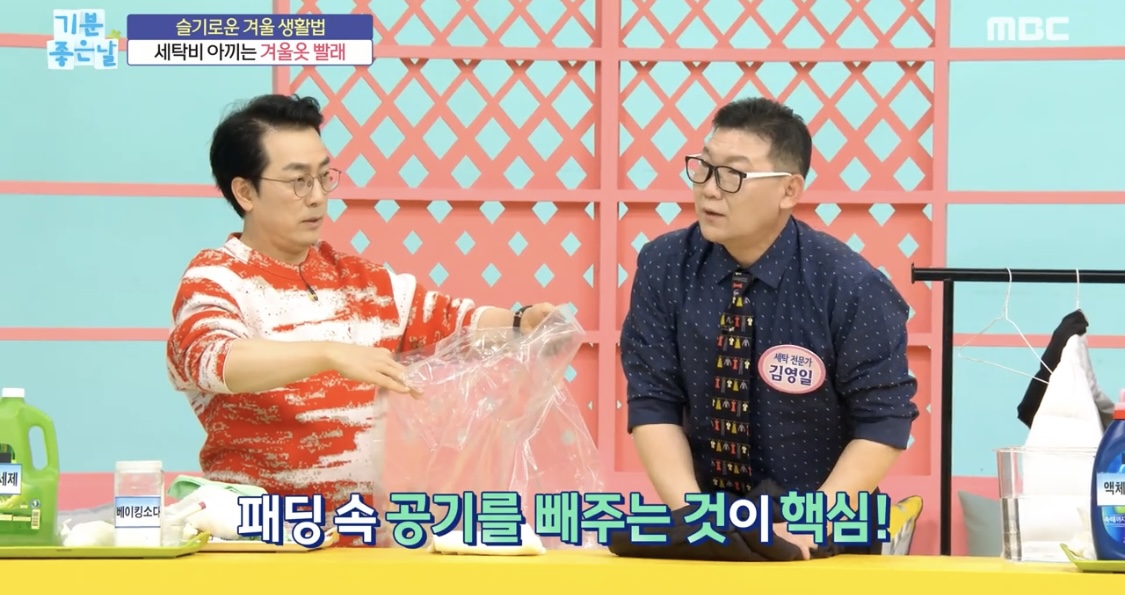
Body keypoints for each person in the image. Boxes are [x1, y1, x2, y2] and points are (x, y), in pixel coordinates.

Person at [165, 94, 556, 544]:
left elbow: (451, 319)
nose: (317, 197)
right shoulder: (216, 277)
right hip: (263, 542)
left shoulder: (361, 280)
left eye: (323, 176)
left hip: (365, 538)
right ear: (245, 192)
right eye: (298, 181)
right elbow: (210, 359)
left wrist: (520, 322)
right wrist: (330, 354)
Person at [620, 97, 919, 559]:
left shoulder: (850, 284)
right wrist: (698, 523)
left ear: (789, 190)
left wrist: (810, 524)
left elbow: (884, 421)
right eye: (704, 168)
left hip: (824, 527)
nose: (709, 190)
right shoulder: (664, 265)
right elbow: (653, 402)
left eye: (732, 175)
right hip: (707, 523)